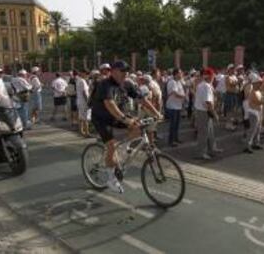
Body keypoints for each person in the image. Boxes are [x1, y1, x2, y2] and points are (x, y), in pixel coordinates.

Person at [90, 60, 162, 193]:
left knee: (138, 129)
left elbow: (142, 99)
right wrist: (125, 119)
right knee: (111, 145)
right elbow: (110, 104)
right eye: (123, 71)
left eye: (127, 71)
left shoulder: (127, 84)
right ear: (114, 71)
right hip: (101, 119)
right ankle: (111, 179)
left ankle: (121, 150)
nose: (126, 73)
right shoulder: (104, 84)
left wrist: (157, 113)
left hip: (117, 116)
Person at [194, 68, 222, 160]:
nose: (214, 77)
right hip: (204, 112)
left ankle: (212, 148)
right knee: (204, 133)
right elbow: (208, 102)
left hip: (202, 110)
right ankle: (201, 153)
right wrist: (215, 114)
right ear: (210, 76)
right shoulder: (206, 86)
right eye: (213, 76)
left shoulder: (202, 85)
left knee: (209, 132)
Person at [244, 74, 264, 154]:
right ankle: (247, 145)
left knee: (258, 129)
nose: (260, 84)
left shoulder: (258, 91)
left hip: (258, 112)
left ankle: (256, 143)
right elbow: (259, 102)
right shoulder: (253, 92)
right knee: (252, 130)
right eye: (259, 83)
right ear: (255, 83)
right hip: (253, 112)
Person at [166, 68, 186, 147]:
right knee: (173, 124)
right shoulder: (172, 82)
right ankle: (171, 141)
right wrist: (184, 96)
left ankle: (176, 138)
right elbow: (175, 93)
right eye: (180, 73)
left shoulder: (178, 82)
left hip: (177, 106)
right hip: (172, 106)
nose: (181, 74)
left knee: (177, 124)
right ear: (176, 74)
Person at [76, 70, 91, 137]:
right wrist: (88, 102)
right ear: (83, 73)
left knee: (81, 117)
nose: (87, 76)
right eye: (87, 74)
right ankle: (87, 133)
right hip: (84, 102)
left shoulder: (78, 80)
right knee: (85, 118)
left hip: (80, 101)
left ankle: (81, 131)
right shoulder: (82, 81)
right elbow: (84, 93)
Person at [225, 64, 238, 130]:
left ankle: (231, 123)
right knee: (229, 110)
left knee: (233, 109)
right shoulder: (227, 77)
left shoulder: (234, 76)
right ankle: (228, 124)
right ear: (228, 69)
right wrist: (238, 81)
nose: (233, 70)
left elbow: (235, 84)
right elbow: (231, 83)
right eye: (231, 68)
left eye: (233, 68)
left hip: (234, 94)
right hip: (230, 94)